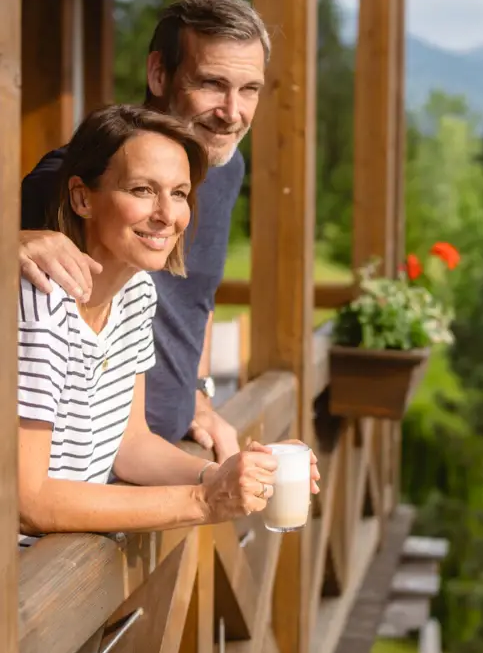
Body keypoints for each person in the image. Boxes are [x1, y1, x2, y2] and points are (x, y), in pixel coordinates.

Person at [18, 104, 296, 547]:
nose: (168, 215)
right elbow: (27, 500)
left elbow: (131, 444)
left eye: (181, 193)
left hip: (71, 574)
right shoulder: (38, 300)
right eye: (143, 190)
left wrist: (221, 472)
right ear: (82, 197)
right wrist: (203, 500)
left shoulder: (137, 294)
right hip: (24, 591)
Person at [20, 0, 269, 463]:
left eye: (250, 89)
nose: (232, 112)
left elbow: (199, 295)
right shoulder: (69, 178)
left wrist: (198, 392)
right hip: (80, 473)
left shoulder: (226, 168)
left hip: (161, 456)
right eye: (212, 84)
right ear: (159, 73)